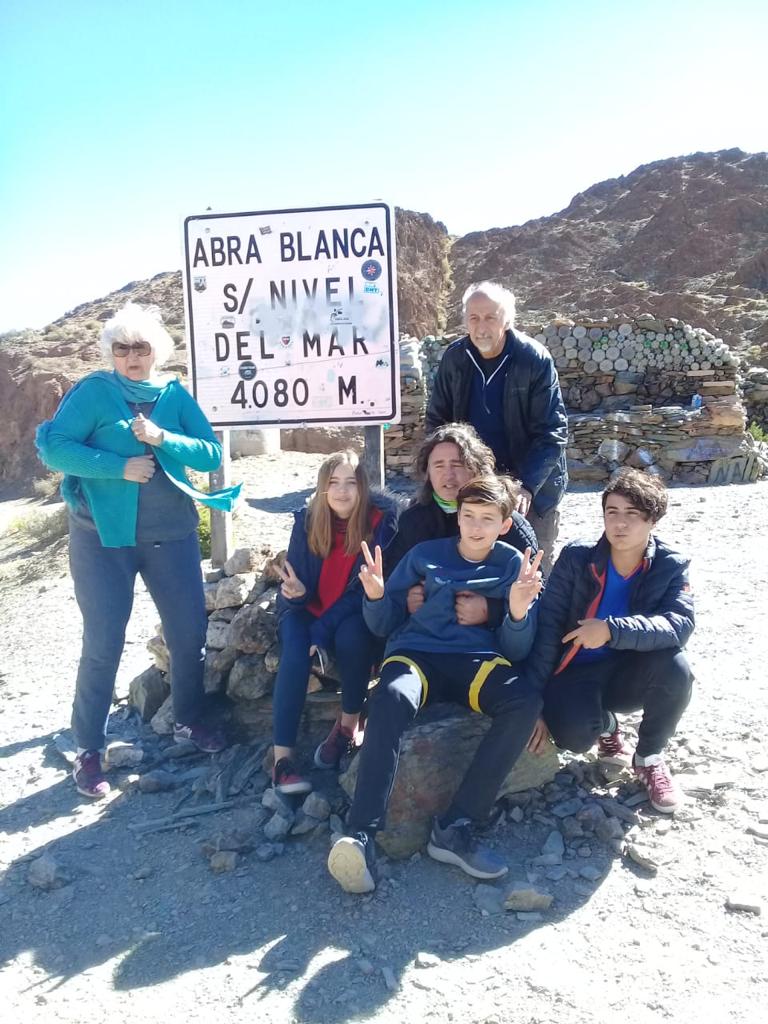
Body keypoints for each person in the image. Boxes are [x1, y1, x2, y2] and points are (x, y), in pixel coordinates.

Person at [35, 302, 240, 799]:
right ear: (111, 352)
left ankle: (188, 719)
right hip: (102, 538)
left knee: (188, 633)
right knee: (104, 640)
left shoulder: (173, 395)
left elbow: (211, 453)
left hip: (171, 534)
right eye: (122, 347)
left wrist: (163, 437)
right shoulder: (94, 392)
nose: (131, 356)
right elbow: (54, 446)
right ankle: (89, 748)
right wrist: (118, 467)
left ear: (156, 352)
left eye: (141, 347)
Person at [327, 475, 543, 895]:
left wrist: (517, 613)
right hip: (417, 655)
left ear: (505, 524)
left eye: (487, 518)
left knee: (523, 701)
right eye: (468, 515)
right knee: (389, 697)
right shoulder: (424, 555)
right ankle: (361, 835)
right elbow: (385, 624)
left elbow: (517, 649)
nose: (475, 526)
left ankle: (455, 825)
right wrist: (376, 596)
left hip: (476, 660)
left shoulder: (513, 564)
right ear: (457, 517)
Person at [525, 468, 694, 813]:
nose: (620, 523)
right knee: (574, 738)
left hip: (626, 671)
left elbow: (679, 624)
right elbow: (547, 626)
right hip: (573, 671)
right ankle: (607, 725)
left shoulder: (670, 565)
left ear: (653, 520)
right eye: (612, 512)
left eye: (632, 514)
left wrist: (611, 630)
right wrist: (532, 703)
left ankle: (648, 758)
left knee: (677, 667)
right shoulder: (578, 557)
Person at [272, 450, 398, 795]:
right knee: (295, 649)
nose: (342, 491)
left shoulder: (382, 523)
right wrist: (296, 594)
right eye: (333, 483)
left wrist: (321, 631)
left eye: (350, 482)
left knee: (353, 638)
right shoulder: (307, 520)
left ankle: (348, 725)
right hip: (305, 609)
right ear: (322, 488)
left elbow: (360, 592)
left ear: (363, 487)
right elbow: (295, 585)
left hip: (348, 611)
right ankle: (282, 762)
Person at [425, 281, 568, 571]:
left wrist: (526, 486)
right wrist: (444, 473)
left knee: (531, 569)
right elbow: (437, 423)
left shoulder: (533, 360)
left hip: (530, 487)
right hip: (471, 486)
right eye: (474, 318)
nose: (481, 327)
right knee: (469, 566)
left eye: (490, 317)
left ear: (507, 320)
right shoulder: (455, 359)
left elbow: (551, 432)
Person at [384, 422, 538, 629]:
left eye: (457, 465)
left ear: (476, 469)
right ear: (427, 472)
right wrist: (406, 599)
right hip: (428, 636)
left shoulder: (509, 524)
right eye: (438, 466)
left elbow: (539, 596)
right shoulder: (414, 520)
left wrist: (491, 610)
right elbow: (391, 584)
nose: (448, 475)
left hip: (491, 639)